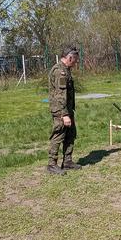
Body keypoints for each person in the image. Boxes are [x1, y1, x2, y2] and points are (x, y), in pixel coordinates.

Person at [47, 47, 81, 175]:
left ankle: (67, 161)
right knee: (58, 135)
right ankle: (52, 164)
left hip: (67, 109)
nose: (76, 63)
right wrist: (64, 114)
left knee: (70, 135)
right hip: (60, 110)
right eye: (75, 60)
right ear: (69, 57)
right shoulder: (59, 71)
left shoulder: (66, 70)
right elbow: (60, 95)